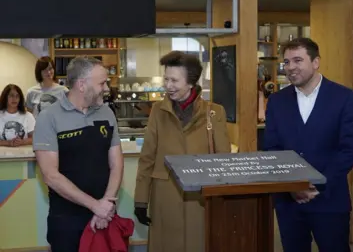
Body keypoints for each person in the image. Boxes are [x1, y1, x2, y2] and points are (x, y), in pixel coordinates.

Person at [263, 37, 353, 252]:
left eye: (297, 60)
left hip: (330, 199)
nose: (290, 68)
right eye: (287, 62)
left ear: (316, 62)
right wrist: (292, 186)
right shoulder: (276, 101)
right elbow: (272, 148)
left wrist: (315, 184)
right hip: (289, 202)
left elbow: (350, 148)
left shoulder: (344, 97)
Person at [134, 51, 231, 252]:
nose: (168, 86)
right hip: (165, 197)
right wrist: (141, 199)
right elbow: (147, 158)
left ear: (191, 82)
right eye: (166, 79)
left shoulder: (214, 112)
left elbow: (223, 159)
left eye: (174, 80)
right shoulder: (158, 111)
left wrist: (224, 197)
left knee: (201, 244)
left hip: (202, 199)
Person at [33, 56, 124, 252]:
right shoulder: (48, 118)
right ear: (82, 85)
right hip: (66, 221)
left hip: (104, 216)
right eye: (102, 83)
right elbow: (51, 175)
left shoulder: (107, 113)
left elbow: (116, 163)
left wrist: (106, 204)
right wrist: (95, 206)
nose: (107, 88)